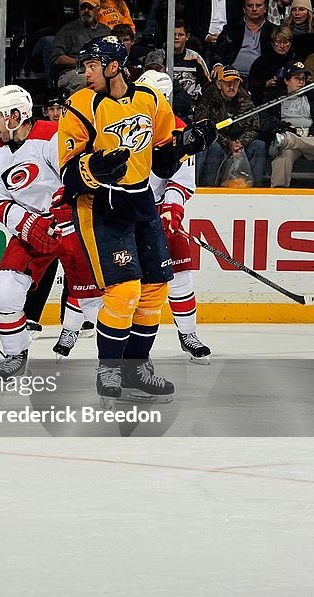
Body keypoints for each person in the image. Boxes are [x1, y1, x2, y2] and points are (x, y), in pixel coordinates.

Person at [58, 36, 216, 402]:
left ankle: (136, 369)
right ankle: (109, 371)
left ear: (114, 65)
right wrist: (93, 167)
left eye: (93, 65)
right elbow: (67, 174)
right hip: (99, 207)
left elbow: (162, 159)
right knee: (124, 290)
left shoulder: (150, 100)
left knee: (155, 288)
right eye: (85, 66)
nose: (87, 73)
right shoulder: (79, 106)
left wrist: (186, 144)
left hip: (141, 201)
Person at [0, 85, 103, 376]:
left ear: (15, 116)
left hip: (71, 224)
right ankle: (15, 353)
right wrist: (28, 225)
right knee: (5, 291)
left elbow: (75, 179)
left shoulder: (52, 135)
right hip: (32, 229)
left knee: (94, 301)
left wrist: (63, 213)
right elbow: (0, 201)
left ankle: (120, 363)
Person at [136, 70, 213, 363]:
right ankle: (129, 350)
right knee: (130, 284)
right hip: (126, 212)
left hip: (157, 212)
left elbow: (181, 181)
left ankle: (188, 333)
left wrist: (171, 206)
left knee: (180, 276)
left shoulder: (180, 131)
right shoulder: (123, 124)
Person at [193, 67, 267, 186]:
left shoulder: (246, 100)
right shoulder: (207, 99)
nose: (232, 87)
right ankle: (208, 187)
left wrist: (241, 142)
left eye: (236, 83)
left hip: (240, 144)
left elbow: (254, 127)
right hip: (219, 142)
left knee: (259, 145)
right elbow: (203, 126)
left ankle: (255, 188)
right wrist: (228, 143)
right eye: (228, 83)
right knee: (213, 147)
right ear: (219, 84)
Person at [265, 61, 314, 186]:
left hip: (309, 139)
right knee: (284, 154)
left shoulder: (311, 96)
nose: (301, 82)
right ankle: (278, 194)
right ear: (286, 80)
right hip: (290, 137)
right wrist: (284, 127)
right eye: (297, 78)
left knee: (285, 143)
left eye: (303, 79)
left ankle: (288, 139)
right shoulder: (275, 97)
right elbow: (267, 121)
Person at [50, 0, 112, 93]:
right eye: (83, 8)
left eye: (90, 8)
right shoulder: (68, 30)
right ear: (79, 10)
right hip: (74, 71)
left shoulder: (106, 31)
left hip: (101, 70)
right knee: (84, 80)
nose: (86, 11)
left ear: (98, 10)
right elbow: (56, 57)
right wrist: (81, 62)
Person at [249, 25, 296, 105]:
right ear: (273, 43)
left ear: (290, 43)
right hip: (268, 102)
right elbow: (252, 85)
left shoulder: (295, 61)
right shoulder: (261, 62)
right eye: (278, 42)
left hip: (293, 100)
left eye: (285, 42)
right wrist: (265, 84)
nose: (282, 46)